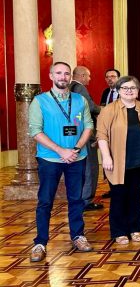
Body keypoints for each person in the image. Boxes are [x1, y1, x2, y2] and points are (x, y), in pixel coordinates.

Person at [28, 61, 94, 262]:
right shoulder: (39, 101)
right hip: (50, 159)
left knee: (76, 199)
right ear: (51, 76)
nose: (63, 77)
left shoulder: (80, 100)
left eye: (66, 73)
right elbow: (35, 131)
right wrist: (61, 151)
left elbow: (88, 126)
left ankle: (78, 235)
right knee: (45, 201)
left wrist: (74, 149)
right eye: (59, 73)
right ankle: (40, 242)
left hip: (77, 157)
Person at [96, 76, 140, 245]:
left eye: (132, 88)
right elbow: (101, 134)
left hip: (139, 161)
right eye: (125, 88)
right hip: (116, 162)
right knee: (118, 196)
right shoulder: (109, 110)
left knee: (135, 195)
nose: (129, 91)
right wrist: (106, 156)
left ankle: (135, 228)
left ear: (137, 91)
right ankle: (119, 231)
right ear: (118, 90)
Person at [69, 65, 103, 211]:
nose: (89, 79)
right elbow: (89, 107)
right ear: (82, 76)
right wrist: (103, 109)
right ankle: (86, 200)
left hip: (75, 133)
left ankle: (80, 198)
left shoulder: (69, 87)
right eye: (88, 76)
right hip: (86, 133)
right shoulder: (80, 88)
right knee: (91, 167)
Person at [99, 68, 120, 199]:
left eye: (113, 76)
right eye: (107, 77)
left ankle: (118, 187)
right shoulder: (106, 92)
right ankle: (112, 187)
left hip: (120, 131)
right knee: (107, 160)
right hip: (106, 131)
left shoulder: (124, 92)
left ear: (119, 78)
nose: (110, 79)